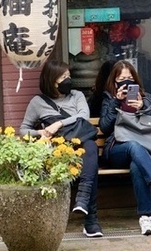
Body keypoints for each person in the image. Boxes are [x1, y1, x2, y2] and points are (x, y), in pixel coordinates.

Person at [19, 60, 103, 238]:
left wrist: (58, 123)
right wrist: (40, 132)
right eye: (64, 77)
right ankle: (90, 219)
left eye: (69, 77)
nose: (68, 81)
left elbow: (83, 116)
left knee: (89, 149)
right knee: (91, 156)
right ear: (52, 81)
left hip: (81, 145)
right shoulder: (38, 102)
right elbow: (23, 130)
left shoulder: (77, 96)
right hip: (59, 150)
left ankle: (83, 200)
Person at [98, 60, 151, 236]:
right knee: (133, 146)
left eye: (129, 78)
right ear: (114, 81)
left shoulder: (147, 98)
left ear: (135, 80)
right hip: (118, 149)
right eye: (121, 79)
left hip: (146, 150)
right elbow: (104, 127)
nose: (126, 82)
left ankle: (146, 218)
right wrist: (116, 103)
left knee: (136, 165)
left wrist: (143, 108)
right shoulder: (109, 99)